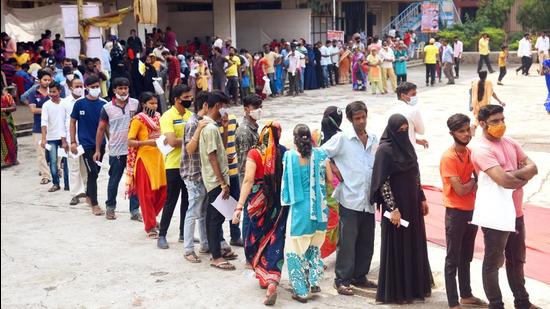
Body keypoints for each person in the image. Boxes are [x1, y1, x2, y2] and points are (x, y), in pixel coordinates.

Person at [471, 105, 540, 309]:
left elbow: (534, 167)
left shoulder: (510, 142)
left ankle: (522, 302)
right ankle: (496, 304)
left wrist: (513, 176)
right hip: (496, 216)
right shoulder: (481, 149)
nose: (501, 124)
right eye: (495, 121)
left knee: (517, 260)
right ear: (482, 124)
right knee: (493, 263)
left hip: (516, 213)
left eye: (502, 119)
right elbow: (504, 180)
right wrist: (520, 176)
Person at [370, 113, 432, 304]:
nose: (404, 133)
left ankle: (414, 287)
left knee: (414, 241)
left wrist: (421, 197)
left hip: (412, 204)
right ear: (392, 130)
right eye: (400, 131)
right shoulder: (384, 151)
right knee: (398, 244)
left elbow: (416, 173)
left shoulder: (408, 147)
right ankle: (399, 291)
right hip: (396, 209)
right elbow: (383, 183)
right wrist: (393, 209)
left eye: (406, 130)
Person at [322, 101, 379, 296]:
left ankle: (360, 276)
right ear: (350, 120)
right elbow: (321, 153)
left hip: (368, 200)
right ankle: (342, 279)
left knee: (366, 241)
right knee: (347, 242)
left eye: (363, 117)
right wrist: (335, 170)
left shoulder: (373, 139)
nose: (361, 121)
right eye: (357, 118)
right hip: (349, 198)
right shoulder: (342, 139)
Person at [232, 122, 287, 306]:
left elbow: (248, 180)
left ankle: (263, 274)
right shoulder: (284, 152)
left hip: (258, 201)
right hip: (278, 201)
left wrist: (239, 207)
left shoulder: (254, 153)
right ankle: (272, 279)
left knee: (255, 237)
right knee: (275, 237)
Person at [441, 114, 488, 309]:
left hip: (471, 210)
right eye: (461, 131)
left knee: (467, 256)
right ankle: (453, 302)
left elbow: (473, 182)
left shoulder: (470, 153)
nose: (467, 134)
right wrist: (475, 181)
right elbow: (460, 190)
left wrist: (471, 183)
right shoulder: (449, 157)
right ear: (452, 133)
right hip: (455, 212)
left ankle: (466, 295)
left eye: (468, 129)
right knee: (453, 258)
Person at [281, 124, 331, 303]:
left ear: (295, 138)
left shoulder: (289, 156)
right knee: (313, 246)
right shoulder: (321, 154)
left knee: (295, 249)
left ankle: (301, 291)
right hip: (320, 210)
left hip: (300, 211)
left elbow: (286, 182)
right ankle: (314, 280)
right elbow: (330, 179)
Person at [200, 90, 238, 270]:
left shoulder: (213, 127)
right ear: (218, 106)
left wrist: (223, 127)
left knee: (214, 217)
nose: (226, 110)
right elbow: (213, 156)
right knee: (216, 218)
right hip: (215, 180)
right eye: (224, 106)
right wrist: (223, 183)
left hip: (214, 178)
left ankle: (216, 252)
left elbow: (219, 148)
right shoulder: (209, 128)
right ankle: (216, 256)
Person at [93, 77, 141, 221]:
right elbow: (101, 129)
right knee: (114, 180)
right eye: (120, 88)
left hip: (133, 149)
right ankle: (110, 208)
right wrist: (97, 150)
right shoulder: (107, 108)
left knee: (134, 181)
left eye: (125, 88)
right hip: (116, 150)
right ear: (114, 90)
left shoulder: (135, 104)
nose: (123, 91)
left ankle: (134, 210)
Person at [157, 84, 193, 249]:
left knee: (187, 200)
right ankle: (162, 235)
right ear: (176, 99)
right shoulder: (167, 116)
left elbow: (178, 140)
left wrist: (185, 141)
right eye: (186, 98)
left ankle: (182, 233)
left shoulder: (190, 115)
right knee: (171, 200)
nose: (189, 100)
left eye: (189, 97)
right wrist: (192, 140)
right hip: (173, 165)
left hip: (190, 164)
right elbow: (171, 141)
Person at [127, 92, 167, 238]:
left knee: (163, 192)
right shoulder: (137, 120)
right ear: (143, 104)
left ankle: (150, 217)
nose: (154, 106)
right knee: (147, 194)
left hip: (160, 158)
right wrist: (147, 143)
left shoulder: (159, 117)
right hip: (144, 160)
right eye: (151, 103)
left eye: (155, 103)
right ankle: (150, 226)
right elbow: (130, 141)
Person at [70, 75, 107, 216]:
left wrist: (111, 142)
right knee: (92, 172)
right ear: (87, 88)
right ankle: (95, 204)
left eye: (97, 86)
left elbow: (106, 126)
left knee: (95, 173)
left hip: (100, 144)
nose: (95, 89)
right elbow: (73, 122)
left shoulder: (104, 104)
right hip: (85, 145)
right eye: (92, 87)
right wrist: (73, 141)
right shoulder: (79, 104)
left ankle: (89, 196)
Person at [181, 91, 210, 262]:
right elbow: (190, 149)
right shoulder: (193, 124)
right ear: (205, 105)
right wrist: (199, 130)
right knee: (193, 211)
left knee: (202, 210)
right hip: (193, 174)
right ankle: (188, 249)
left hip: (202, 173)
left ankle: (205, 243)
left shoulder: (203, 122)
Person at [235, 94, 262, 250]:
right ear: (246, 109)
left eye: (260, 107)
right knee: (249, 215)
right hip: (249, 179)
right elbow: (246, 164)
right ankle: (249, 251)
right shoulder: (245, 131)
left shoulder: (253, 127)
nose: (258, 110)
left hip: (254, 179)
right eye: (255, 108)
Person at [317, 106, 343, 259]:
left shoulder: (315, 135)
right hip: (334, 182)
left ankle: (319, 252)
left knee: (324, 219)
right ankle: (323, 252)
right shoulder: (340, 137)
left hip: (320, 183)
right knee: (335, 219)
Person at [219, 104, 243, 246]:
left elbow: (236, 141)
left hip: (234, 169)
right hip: (220, 173)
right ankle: (220, 238)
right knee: (221, 206)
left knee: (235, 205)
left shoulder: (233, 119)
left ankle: (235, 235)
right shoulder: (211, 123)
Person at [61, 78, 87, 205]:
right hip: (72, 140)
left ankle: (88, 192)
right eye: (76, 86)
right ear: (70, 87)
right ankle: (75, 194)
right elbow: (62, 123)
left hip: (85, 140)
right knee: (73, 168)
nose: (79, 88)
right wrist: (64, 141)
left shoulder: (86, 101)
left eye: (81, 86)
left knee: (87, 168)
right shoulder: (65, 103)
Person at [40, 82, 69, 192]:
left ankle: (67, 184)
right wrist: (43, 138)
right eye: (50, 91)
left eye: (54, 91)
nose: (52, 94)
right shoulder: (46, 105)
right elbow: (44, 122)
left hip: (64, 137)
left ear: (59, 91)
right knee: (53, 161)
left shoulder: (65, 103)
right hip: (51, 137)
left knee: (66, 161)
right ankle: (56, 183)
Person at [27, 69, 53, 185]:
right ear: (39, 80)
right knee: (41, 153)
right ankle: (45, 175)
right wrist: (48, 110)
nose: (47, 82)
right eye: (45, 80)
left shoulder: (54, 92)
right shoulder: (33, 93)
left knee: (55, 152)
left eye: (49, 79)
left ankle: (56, 170)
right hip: (38, 127)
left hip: (53, 127)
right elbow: (33, 109)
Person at [388, 82, 428, 149]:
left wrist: (416, 140)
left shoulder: (389, 110)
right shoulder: (413, 111)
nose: (415, 97)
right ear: (403, 96)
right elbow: (421, 131)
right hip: (408, 151)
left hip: (393, 149)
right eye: (413, 94)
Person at [1, 89, 18, 168]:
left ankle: (12, 159)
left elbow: (14, 107)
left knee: (11, 140)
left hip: (7, 122)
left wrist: (4, 109)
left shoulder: (7, 96)